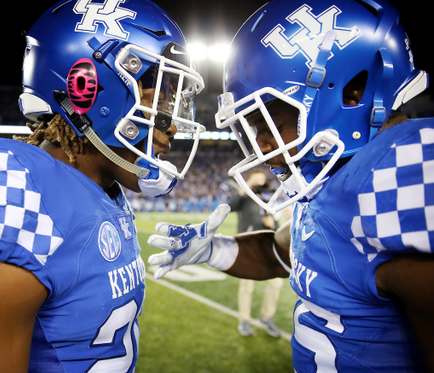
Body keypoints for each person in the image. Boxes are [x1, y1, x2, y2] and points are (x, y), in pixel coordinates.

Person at [147, 0, 434, 371]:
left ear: (352, 93)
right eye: (255, 127)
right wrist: (213, 251)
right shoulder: (332, 177)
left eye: (273, 121)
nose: (263, 145)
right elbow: (281, 254)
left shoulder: (403, 170)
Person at [0, 0, 205, 372]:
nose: (172, 123)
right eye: (159, 98)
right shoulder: (17, 192)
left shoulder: (104, 191)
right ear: (87, 88)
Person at [228, 171, 284, 337]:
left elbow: (277, 230)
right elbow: (229, 206)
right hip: (248, 246)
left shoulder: (268, 202)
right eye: (256, 180)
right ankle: (244, 320)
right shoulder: (244, 199)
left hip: (267, 247)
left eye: (262, 180)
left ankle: (266, 317)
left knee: (276, 283)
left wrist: (272, 224)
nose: (260, 183)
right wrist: (245, 187)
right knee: (247, 285)